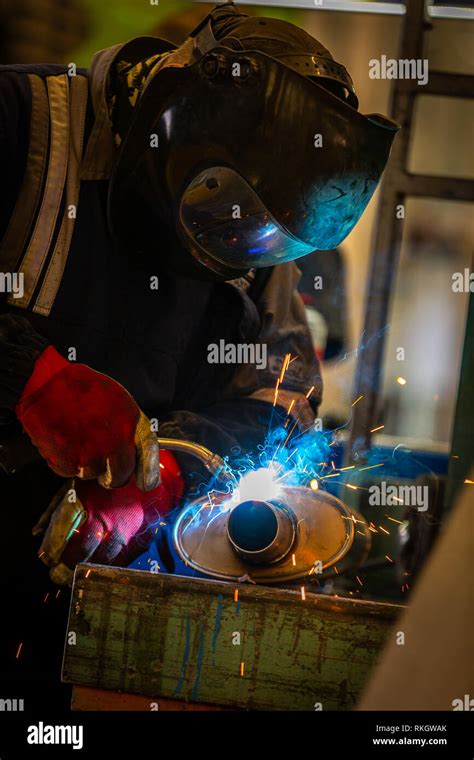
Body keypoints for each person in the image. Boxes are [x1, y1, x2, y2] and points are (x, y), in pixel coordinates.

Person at [0, 1, 397, 698]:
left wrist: (171, 471)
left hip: (62, 622)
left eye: (266, 244)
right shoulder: (18, 124)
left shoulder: (259, 242)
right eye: (223, 220)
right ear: (170, 126)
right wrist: (31, 379)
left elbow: (279, 396)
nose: (236, 258)